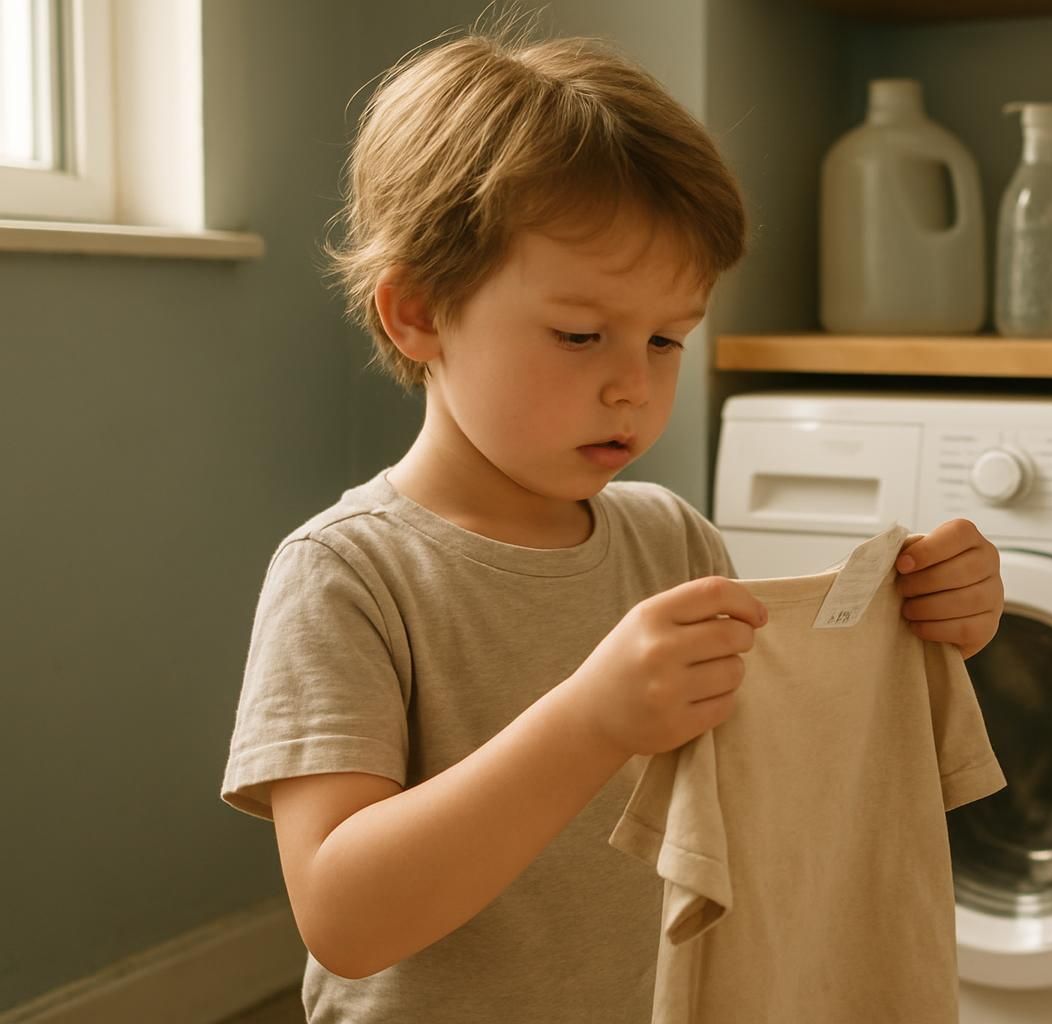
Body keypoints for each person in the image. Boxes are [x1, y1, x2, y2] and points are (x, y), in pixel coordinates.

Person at [221, 17, 1005, 1024]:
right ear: (417, 312)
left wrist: (921, 625)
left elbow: (771, 788)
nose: (633, 386)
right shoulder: (346, 575)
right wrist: (588, 721)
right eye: (581, 334)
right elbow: (344, 915)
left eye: (669, 339)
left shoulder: (671, 541)